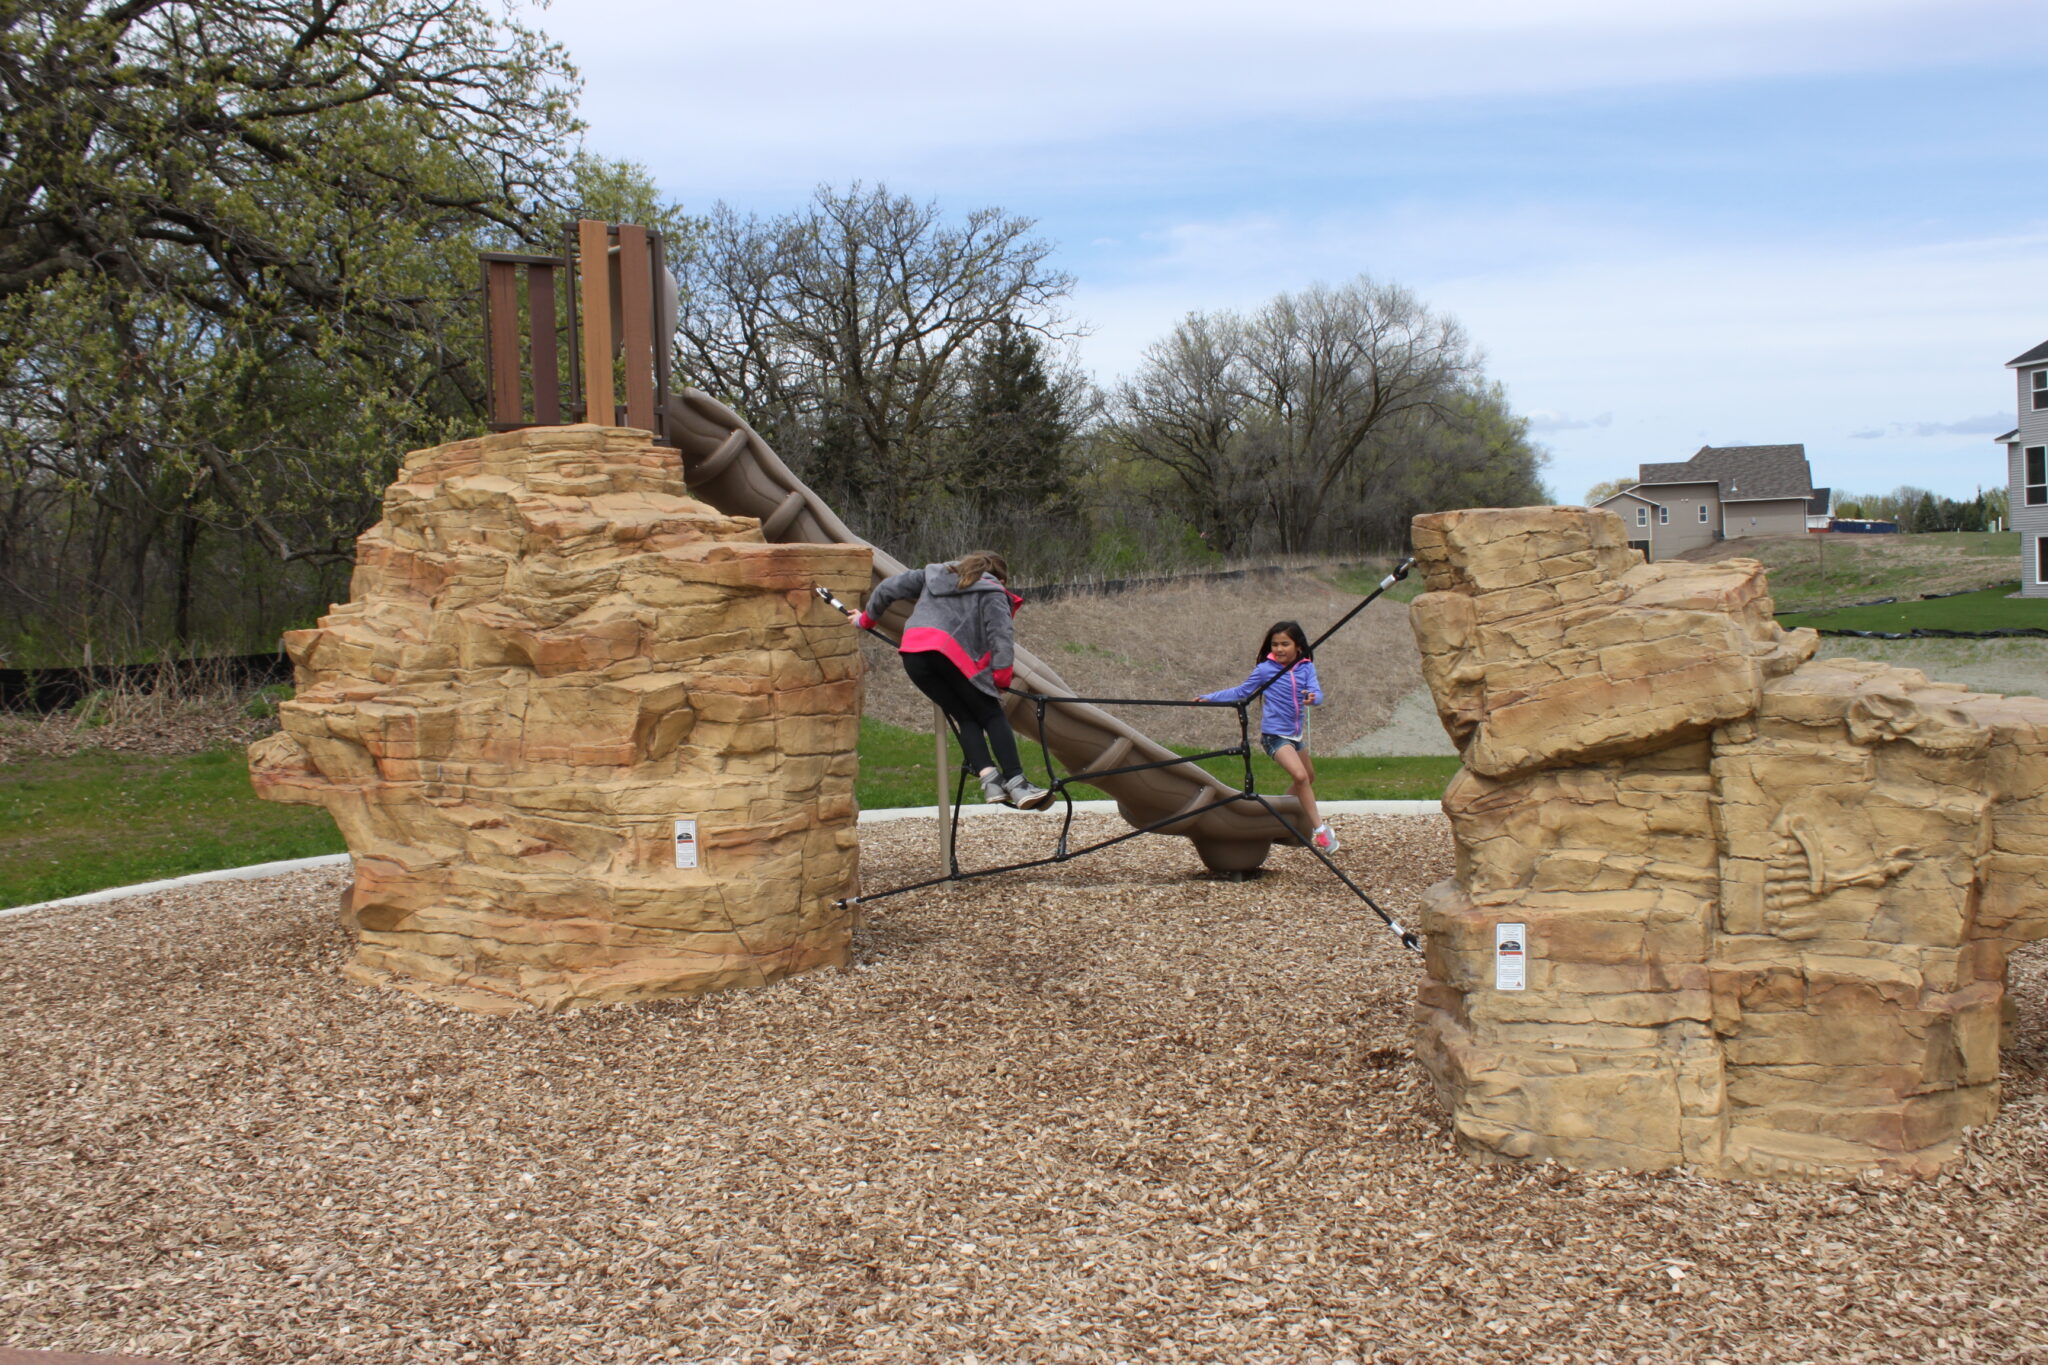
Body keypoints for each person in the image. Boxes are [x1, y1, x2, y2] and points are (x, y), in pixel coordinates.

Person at [854, 552, 1054, 810]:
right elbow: (1000, 636)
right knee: (991, 714)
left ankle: (990, 781)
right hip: (951, 655)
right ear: (1000, 577)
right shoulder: (993, 591)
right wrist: (1002, 678)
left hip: (914, 654)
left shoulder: (934, 574)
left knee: (965, 716)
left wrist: (865, 620)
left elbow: (887, 588)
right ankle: (1017, 783)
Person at [1193, 620, 1337, 852]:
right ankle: (1320, 831)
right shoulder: (1265, 670)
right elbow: (1241, 692)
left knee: (1308, 778)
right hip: (1274, 736)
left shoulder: (1306, 667)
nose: (1279, 649)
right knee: (1300, 776)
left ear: (1298, 646)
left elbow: (1316, 692)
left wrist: (1313, 698)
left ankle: (1278, 816)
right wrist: (1210, 698)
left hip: (1296, 736)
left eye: (1285, 644)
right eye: (1275, 644)